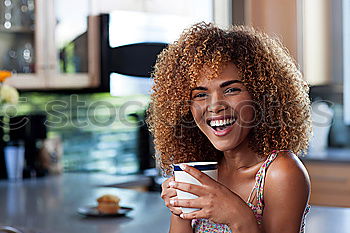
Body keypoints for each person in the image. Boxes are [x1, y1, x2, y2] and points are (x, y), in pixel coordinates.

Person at [147, 22, 311, 233]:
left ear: (261, 96)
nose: (215, 106)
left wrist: (239, 217)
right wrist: (181, 210)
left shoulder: (280, 173)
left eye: (231, 89)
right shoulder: (203, 171)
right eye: (200, 94)